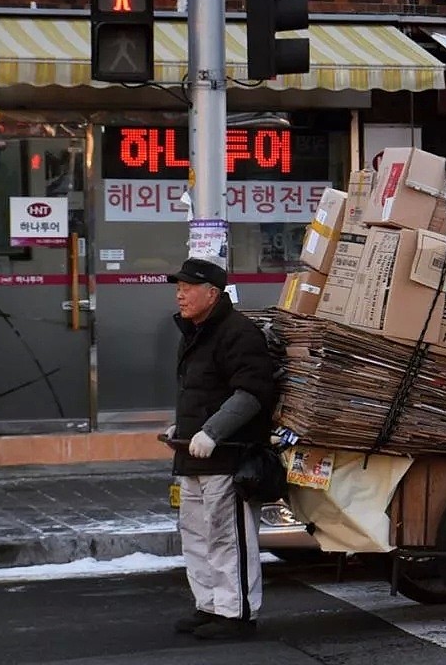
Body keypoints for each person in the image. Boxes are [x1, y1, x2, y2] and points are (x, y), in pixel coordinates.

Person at [163, 257, 276, 640]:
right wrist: (185, 427)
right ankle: (208, 605)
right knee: (195, 533)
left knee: (229, 536)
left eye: (188, 287)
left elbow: (253, 393)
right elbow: (203, 392)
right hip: (193, 456)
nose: (180, 294)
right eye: (178, 287)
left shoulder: (237, 333)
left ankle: (238, 614)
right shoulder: (194, 332)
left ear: (212, 294)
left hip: (230, 454)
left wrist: (211, 432)